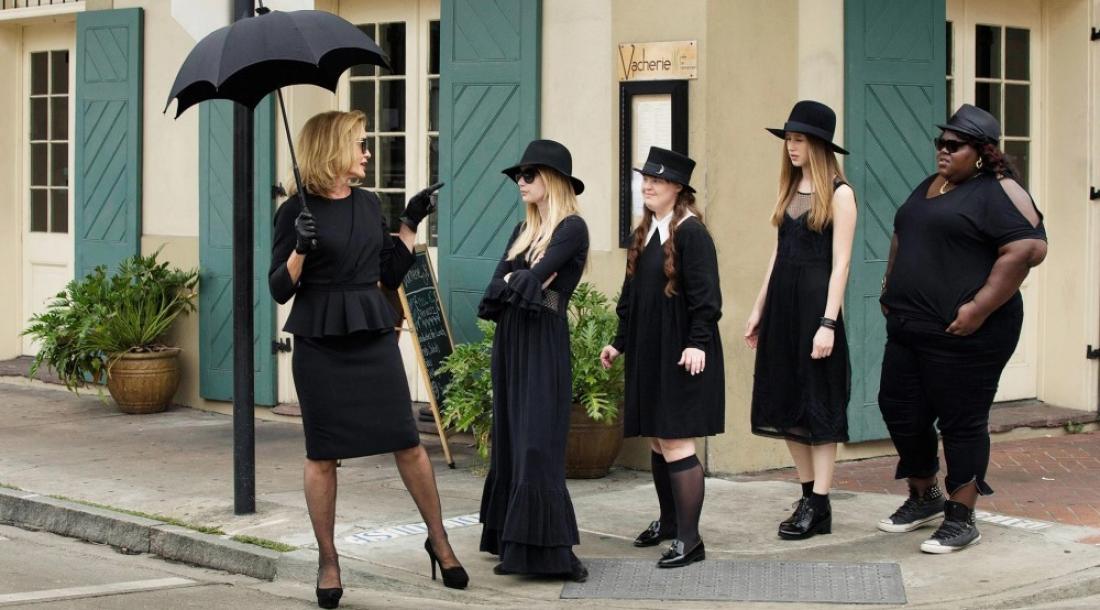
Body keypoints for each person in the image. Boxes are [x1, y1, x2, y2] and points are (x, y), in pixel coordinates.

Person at [268, 110, 467, 608]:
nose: (368, 153)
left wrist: (410, 222)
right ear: (333, 148)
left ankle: (439, 540)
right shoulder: (294, 211)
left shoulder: (367, 203)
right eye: (360, 143)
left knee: (408, 442)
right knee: (322, 454)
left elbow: (390, 273)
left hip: (371, 334)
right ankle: (328, 560)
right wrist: (299, 248)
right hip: (319, 342)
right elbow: (279, 288)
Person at [877, 104, 1047, 553]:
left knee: (961, 421)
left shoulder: (999, 190)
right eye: (941, 142)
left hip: (967, 333)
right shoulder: (931, 185)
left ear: (982, 152)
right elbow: (903, 232)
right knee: (899, 409)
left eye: (955, 145)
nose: (943, 150)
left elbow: (1029, 248)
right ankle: (925, 496)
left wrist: (979, 308)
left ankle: (961, 517)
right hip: (910, 327)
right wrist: (888, 285)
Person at [600, 146, 724, 569]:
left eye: (657, 180)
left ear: (678, 188)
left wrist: (697, 343)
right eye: (645, 179)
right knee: (657, 438)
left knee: (675, 440)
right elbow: (631, 297)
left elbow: (708, 299)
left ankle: (690, 540)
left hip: (682, 352)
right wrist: (619, 342)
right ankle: (670, 523)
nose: (648, 186)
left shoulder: (692, 234)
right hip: (650, 350)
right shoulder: (647, 231)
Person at [477, 139, 591, 581]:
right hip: (511, 339)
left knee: (537, 441)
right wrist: (521, 280)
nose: (521, 182)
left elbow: (529, 281)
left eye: (529, 175)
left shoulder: (572, 229)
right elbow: (498, 285)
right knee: (511, 436)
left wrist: (521, 279)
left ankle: (549, 554)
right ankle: (514, 544)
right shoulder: (523, 229)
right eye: (518, 176)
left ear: (553, 180)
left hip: (543, 339)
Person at [745, 100, 857, 540]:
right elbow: (778, 255)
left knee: (819, 406)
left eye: (800, 139)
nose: (791, 147)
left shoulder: (841, 194)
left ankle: (821, 503)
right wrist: (759, 308)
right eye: (788, 139)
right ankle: (808, 495)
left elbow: (841, 264)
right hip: (782, 309)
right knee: (787, 402)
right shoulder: (789, 190)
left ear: (819, 144)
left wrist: (828, 323)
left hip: (815, 310)